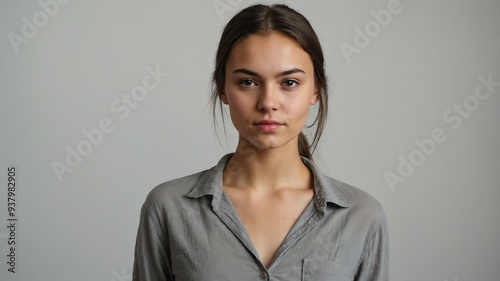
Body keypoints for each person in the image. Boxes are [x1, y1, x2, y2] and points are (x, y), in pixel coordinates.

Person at [132, 4, 388, 281]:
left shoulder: (362, 217)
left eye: (289, 82)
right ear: (223, 89)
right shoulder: (168, 208)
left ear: (315, 90)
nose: (268, 103)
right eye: (248, 82)